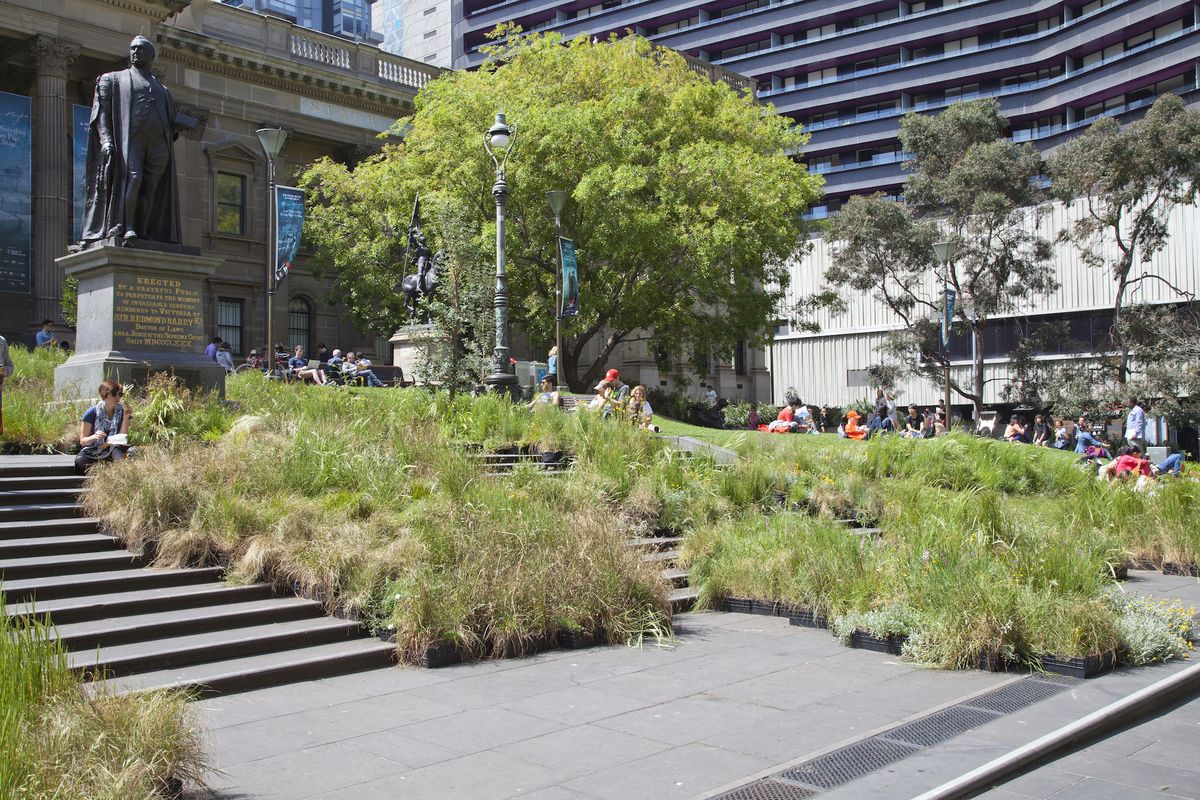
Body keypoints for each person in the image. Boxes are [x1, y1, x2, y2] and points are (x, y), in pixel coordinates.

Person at [75, 380, 132, 474]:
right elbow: (83, 441)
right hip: (94, 449)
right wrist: (94, 437)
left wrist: (126, 418)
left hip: (114, 448)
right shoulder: (92, 412)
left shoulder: (122, 411)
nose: (118, 397)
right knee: (80, 461)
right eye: (115, 394)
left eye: (120, 394)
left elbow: (122, 437)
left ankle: (115, 471)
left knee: (118, 452)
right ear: (106, 395)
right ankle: (106, 472)